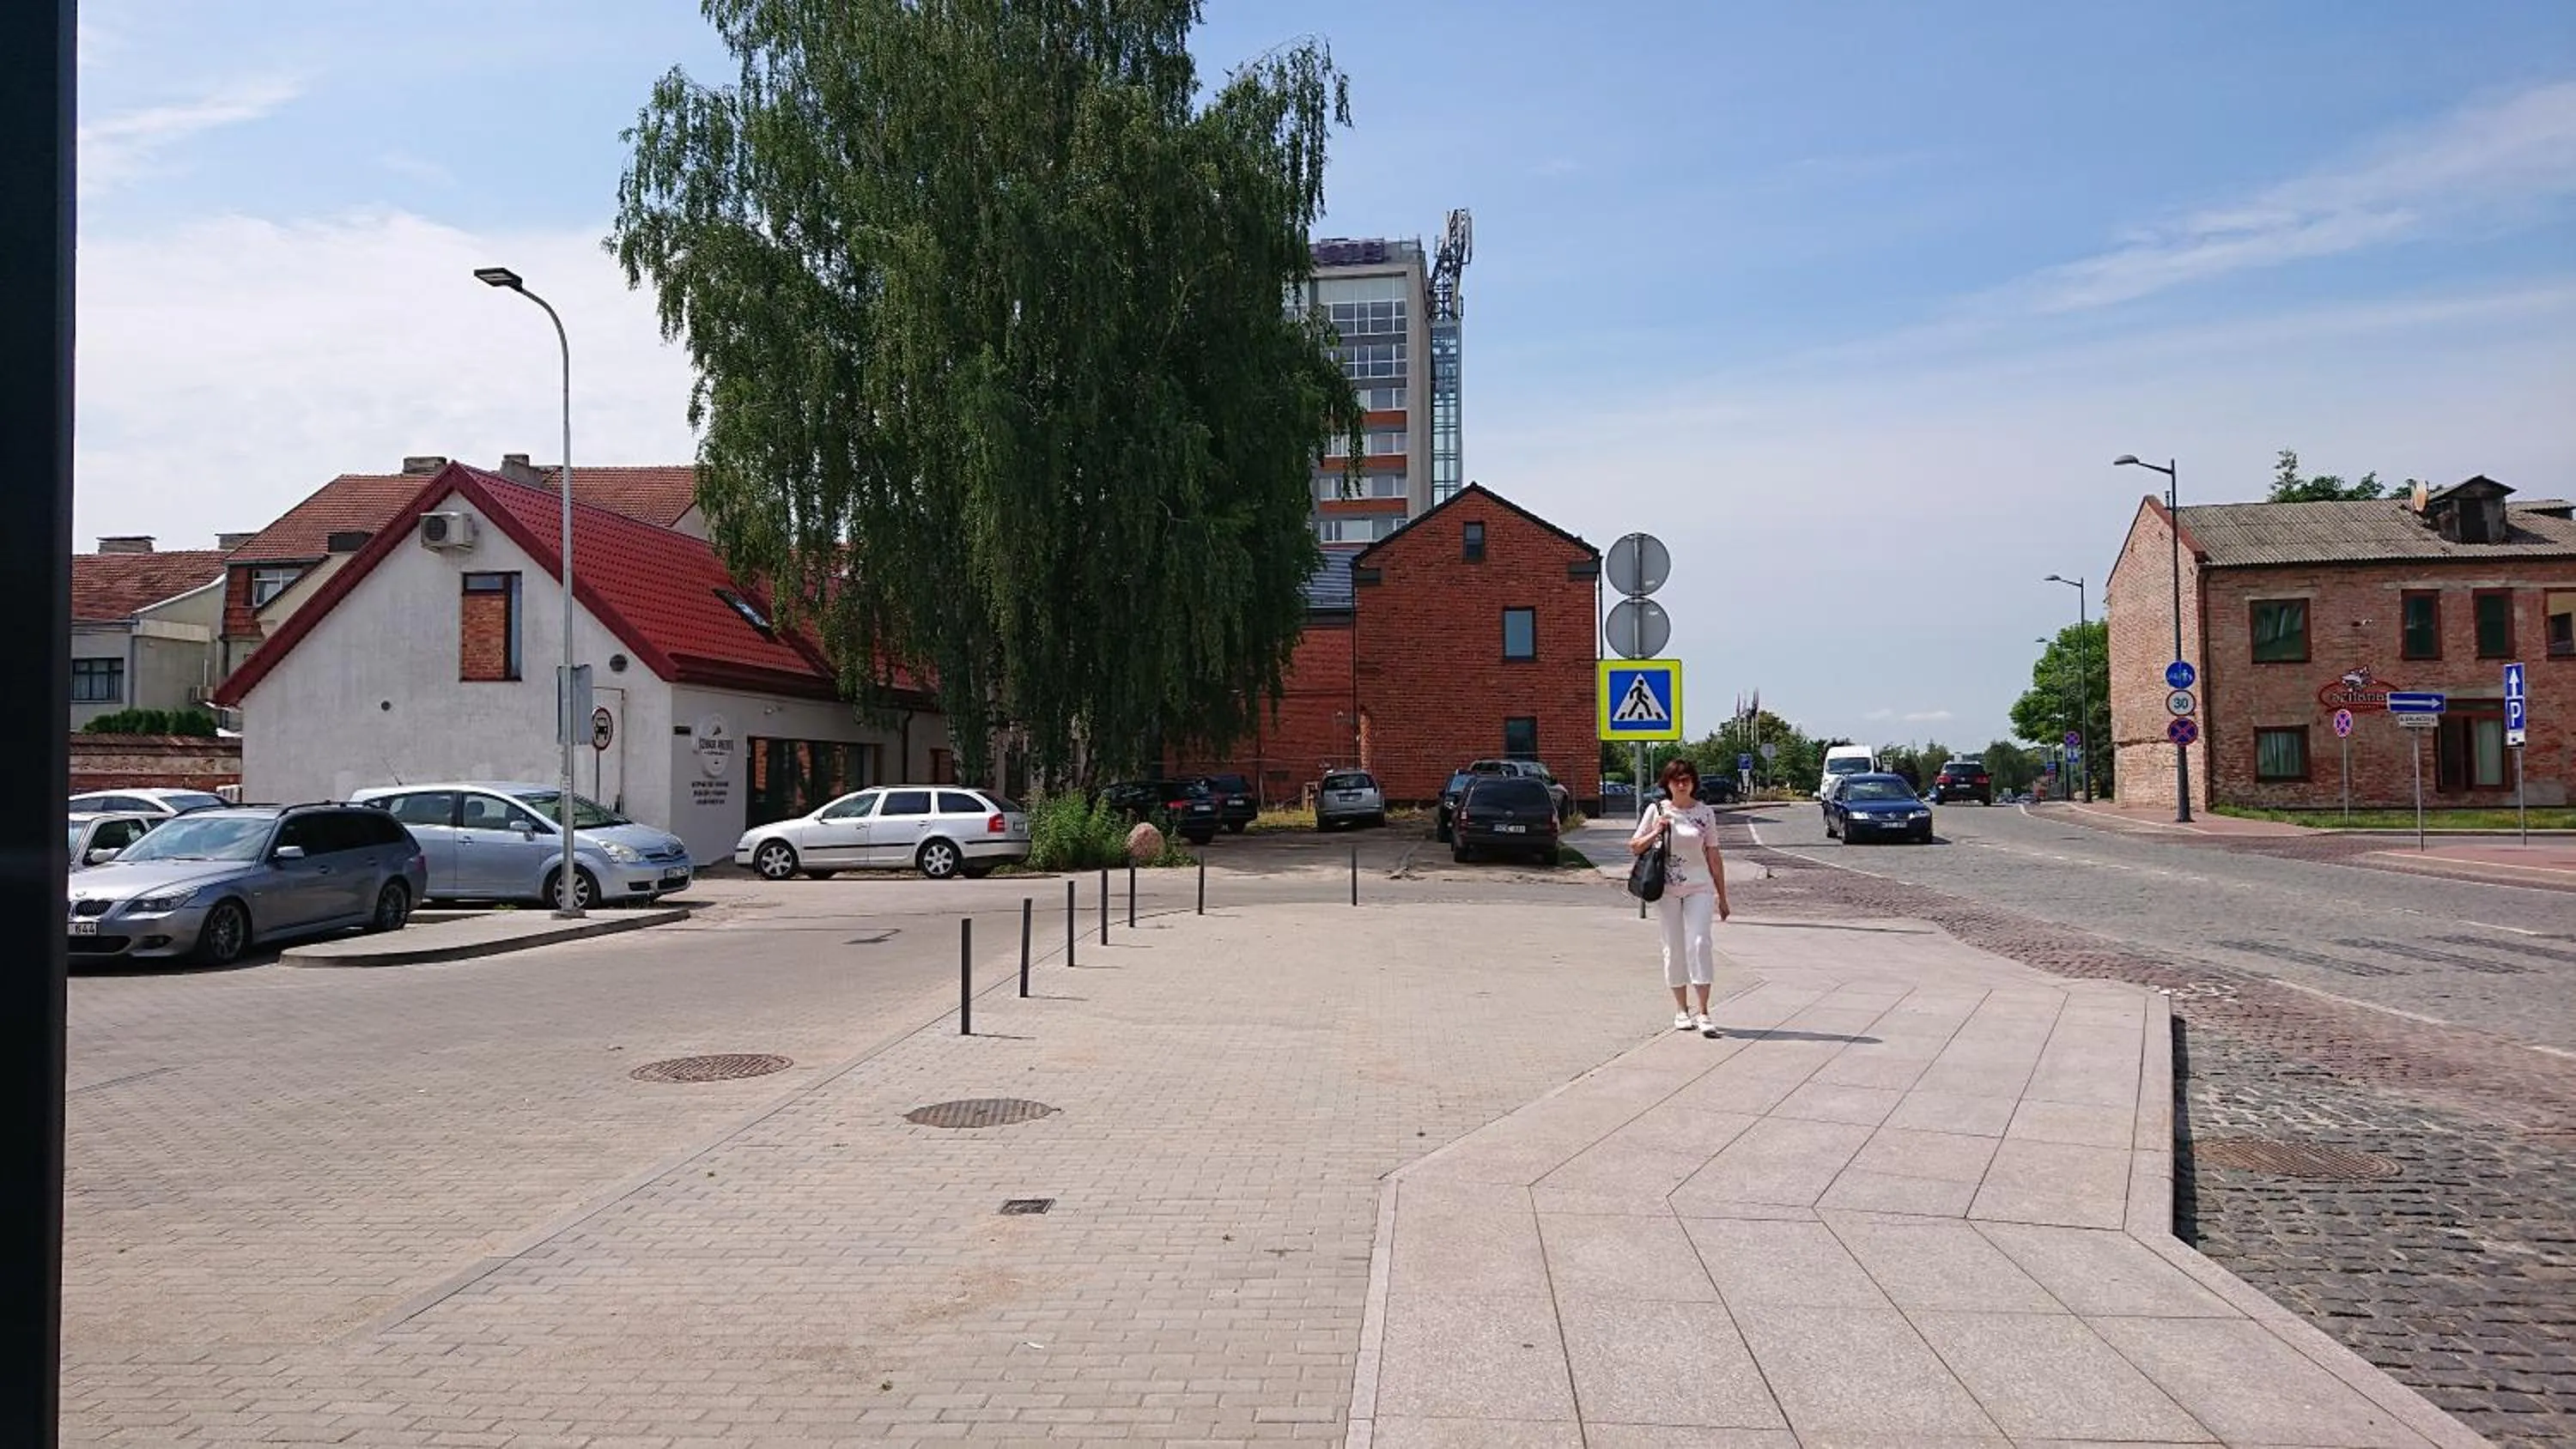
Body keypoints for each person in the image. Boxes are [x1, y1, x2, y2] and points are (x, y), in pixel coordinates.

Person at [1629, 758, 1731, 1036]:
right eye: (1676, 780)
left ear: (1694, 782)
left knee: (1699, 942)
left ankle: (1704, 1011)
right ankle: (1681, 1010)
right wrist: (1656, 830)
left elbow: (1713, 855)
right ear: (1668, 784)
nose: (1682, 784)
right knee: (1673, 947)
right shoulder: (1657, 810)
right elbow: (1635, 846)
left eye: (1687, 779)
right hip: (1668, 889)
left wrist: (1723, 897)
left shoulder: (1705, 813)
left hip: (1700, 886)